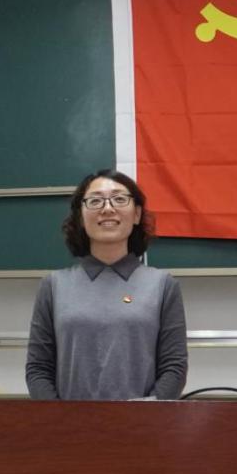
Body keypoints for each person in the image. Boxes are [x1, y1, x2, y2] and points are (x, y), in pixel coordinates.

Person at [25, 168, 187, 400]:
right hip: (68, 422)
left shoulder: (163, 285)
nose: (108, 208)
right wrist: (58, 416)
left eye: (119, 199)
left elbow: (174, 367)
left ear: (137, 214)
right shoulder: (53, 286)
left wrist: (146, 413)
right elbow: (38, 369)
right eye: (95, 201)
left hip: (143, 421)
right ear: (81, 217)